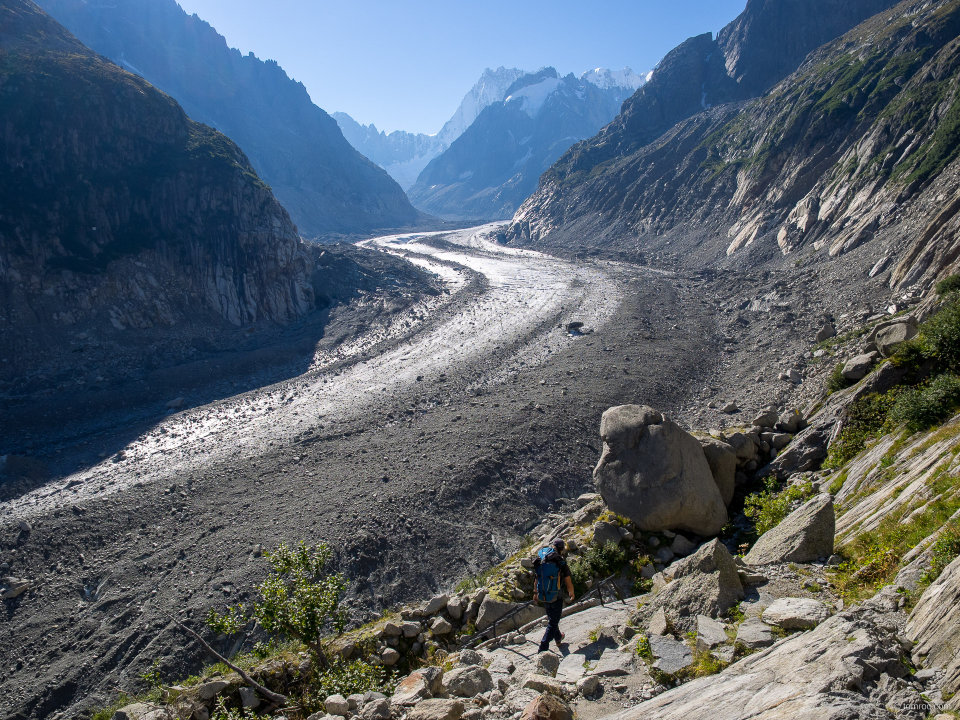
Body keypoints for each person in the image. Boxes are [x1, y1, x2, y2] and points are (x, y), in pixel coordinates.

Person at [533, 538, 575, 652]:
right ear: (562, 549)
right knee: (553, 622)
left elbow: (536, 578)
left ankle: (558, 637)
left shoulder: (543, 560)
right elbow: (568, 581)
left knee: (552, 619)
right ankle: (543, 647)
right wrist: (571, 592)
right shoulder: (560, 562)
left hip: (544, 595)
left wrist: (535, 593)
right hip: (556, 596)